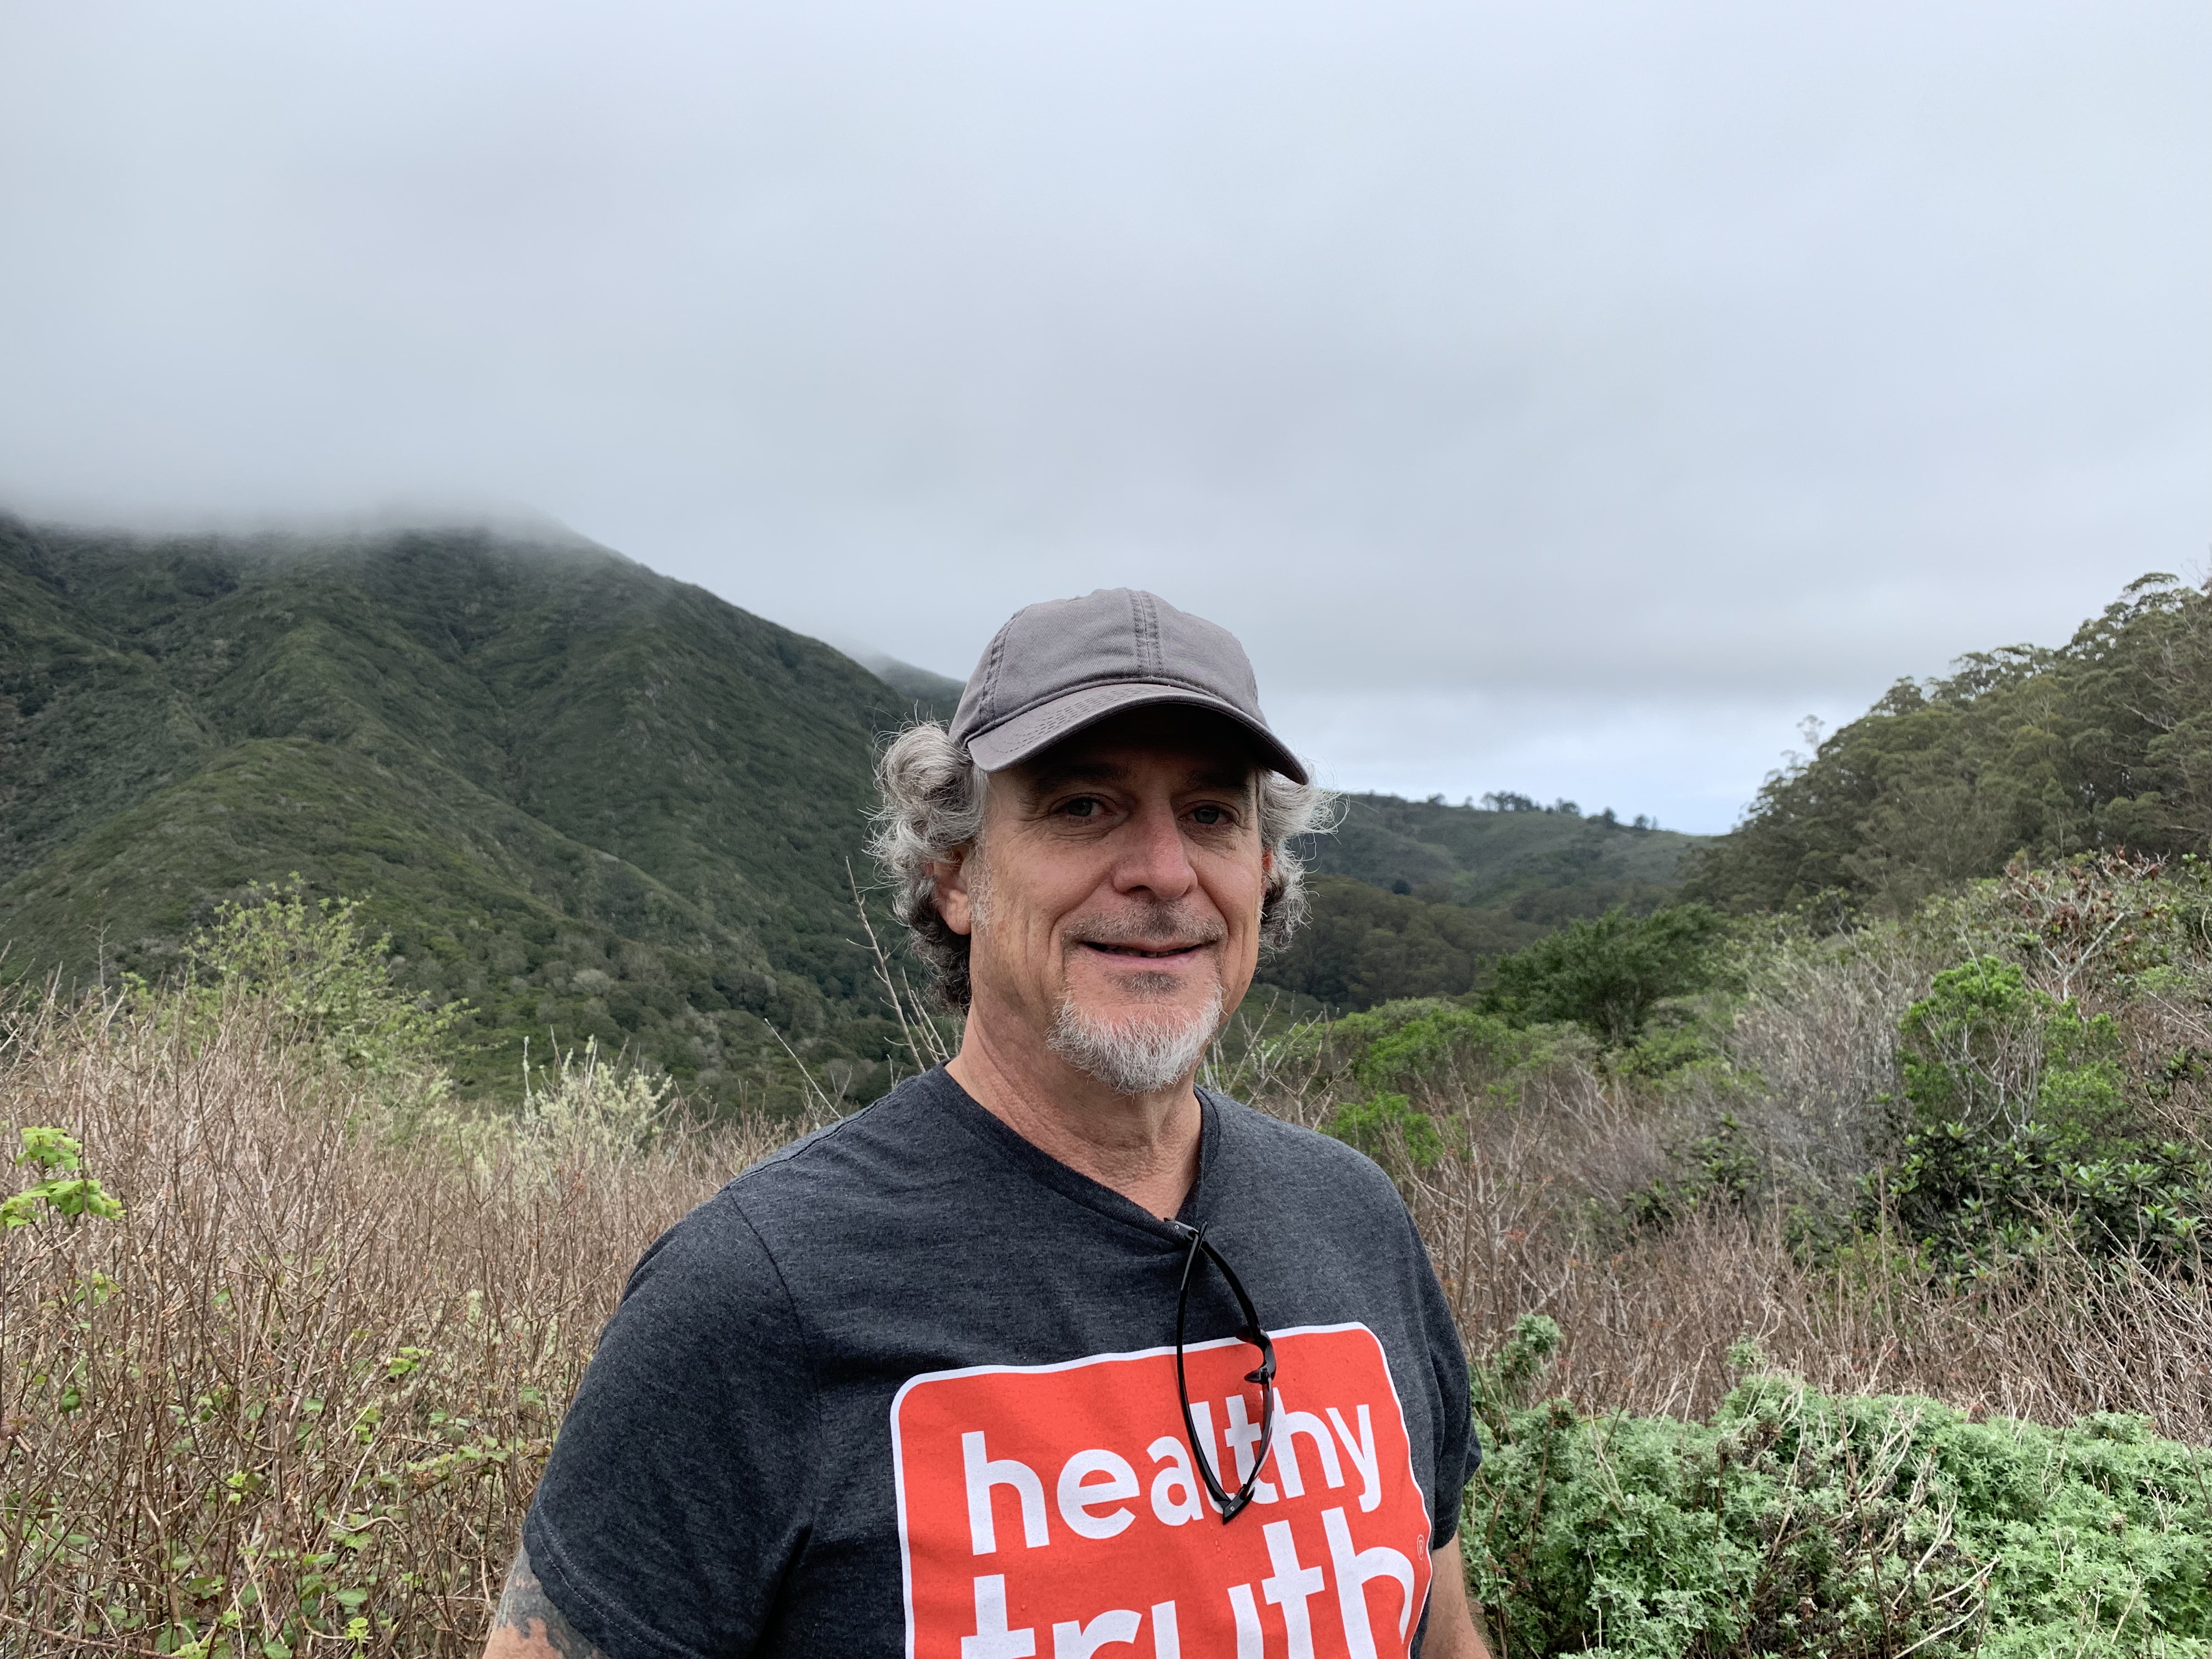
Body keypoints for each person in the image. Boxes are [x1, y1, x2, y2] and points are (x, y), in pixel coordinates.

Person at [485, 589, 1491, 1658]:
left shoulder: (1354, 1219)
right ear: (955, 874)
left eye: (1210, 815)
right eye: (1083, 807)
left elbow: (1440, 1628)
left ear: (1265, 869)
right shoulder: (755, 1295)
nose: (1162, 869)